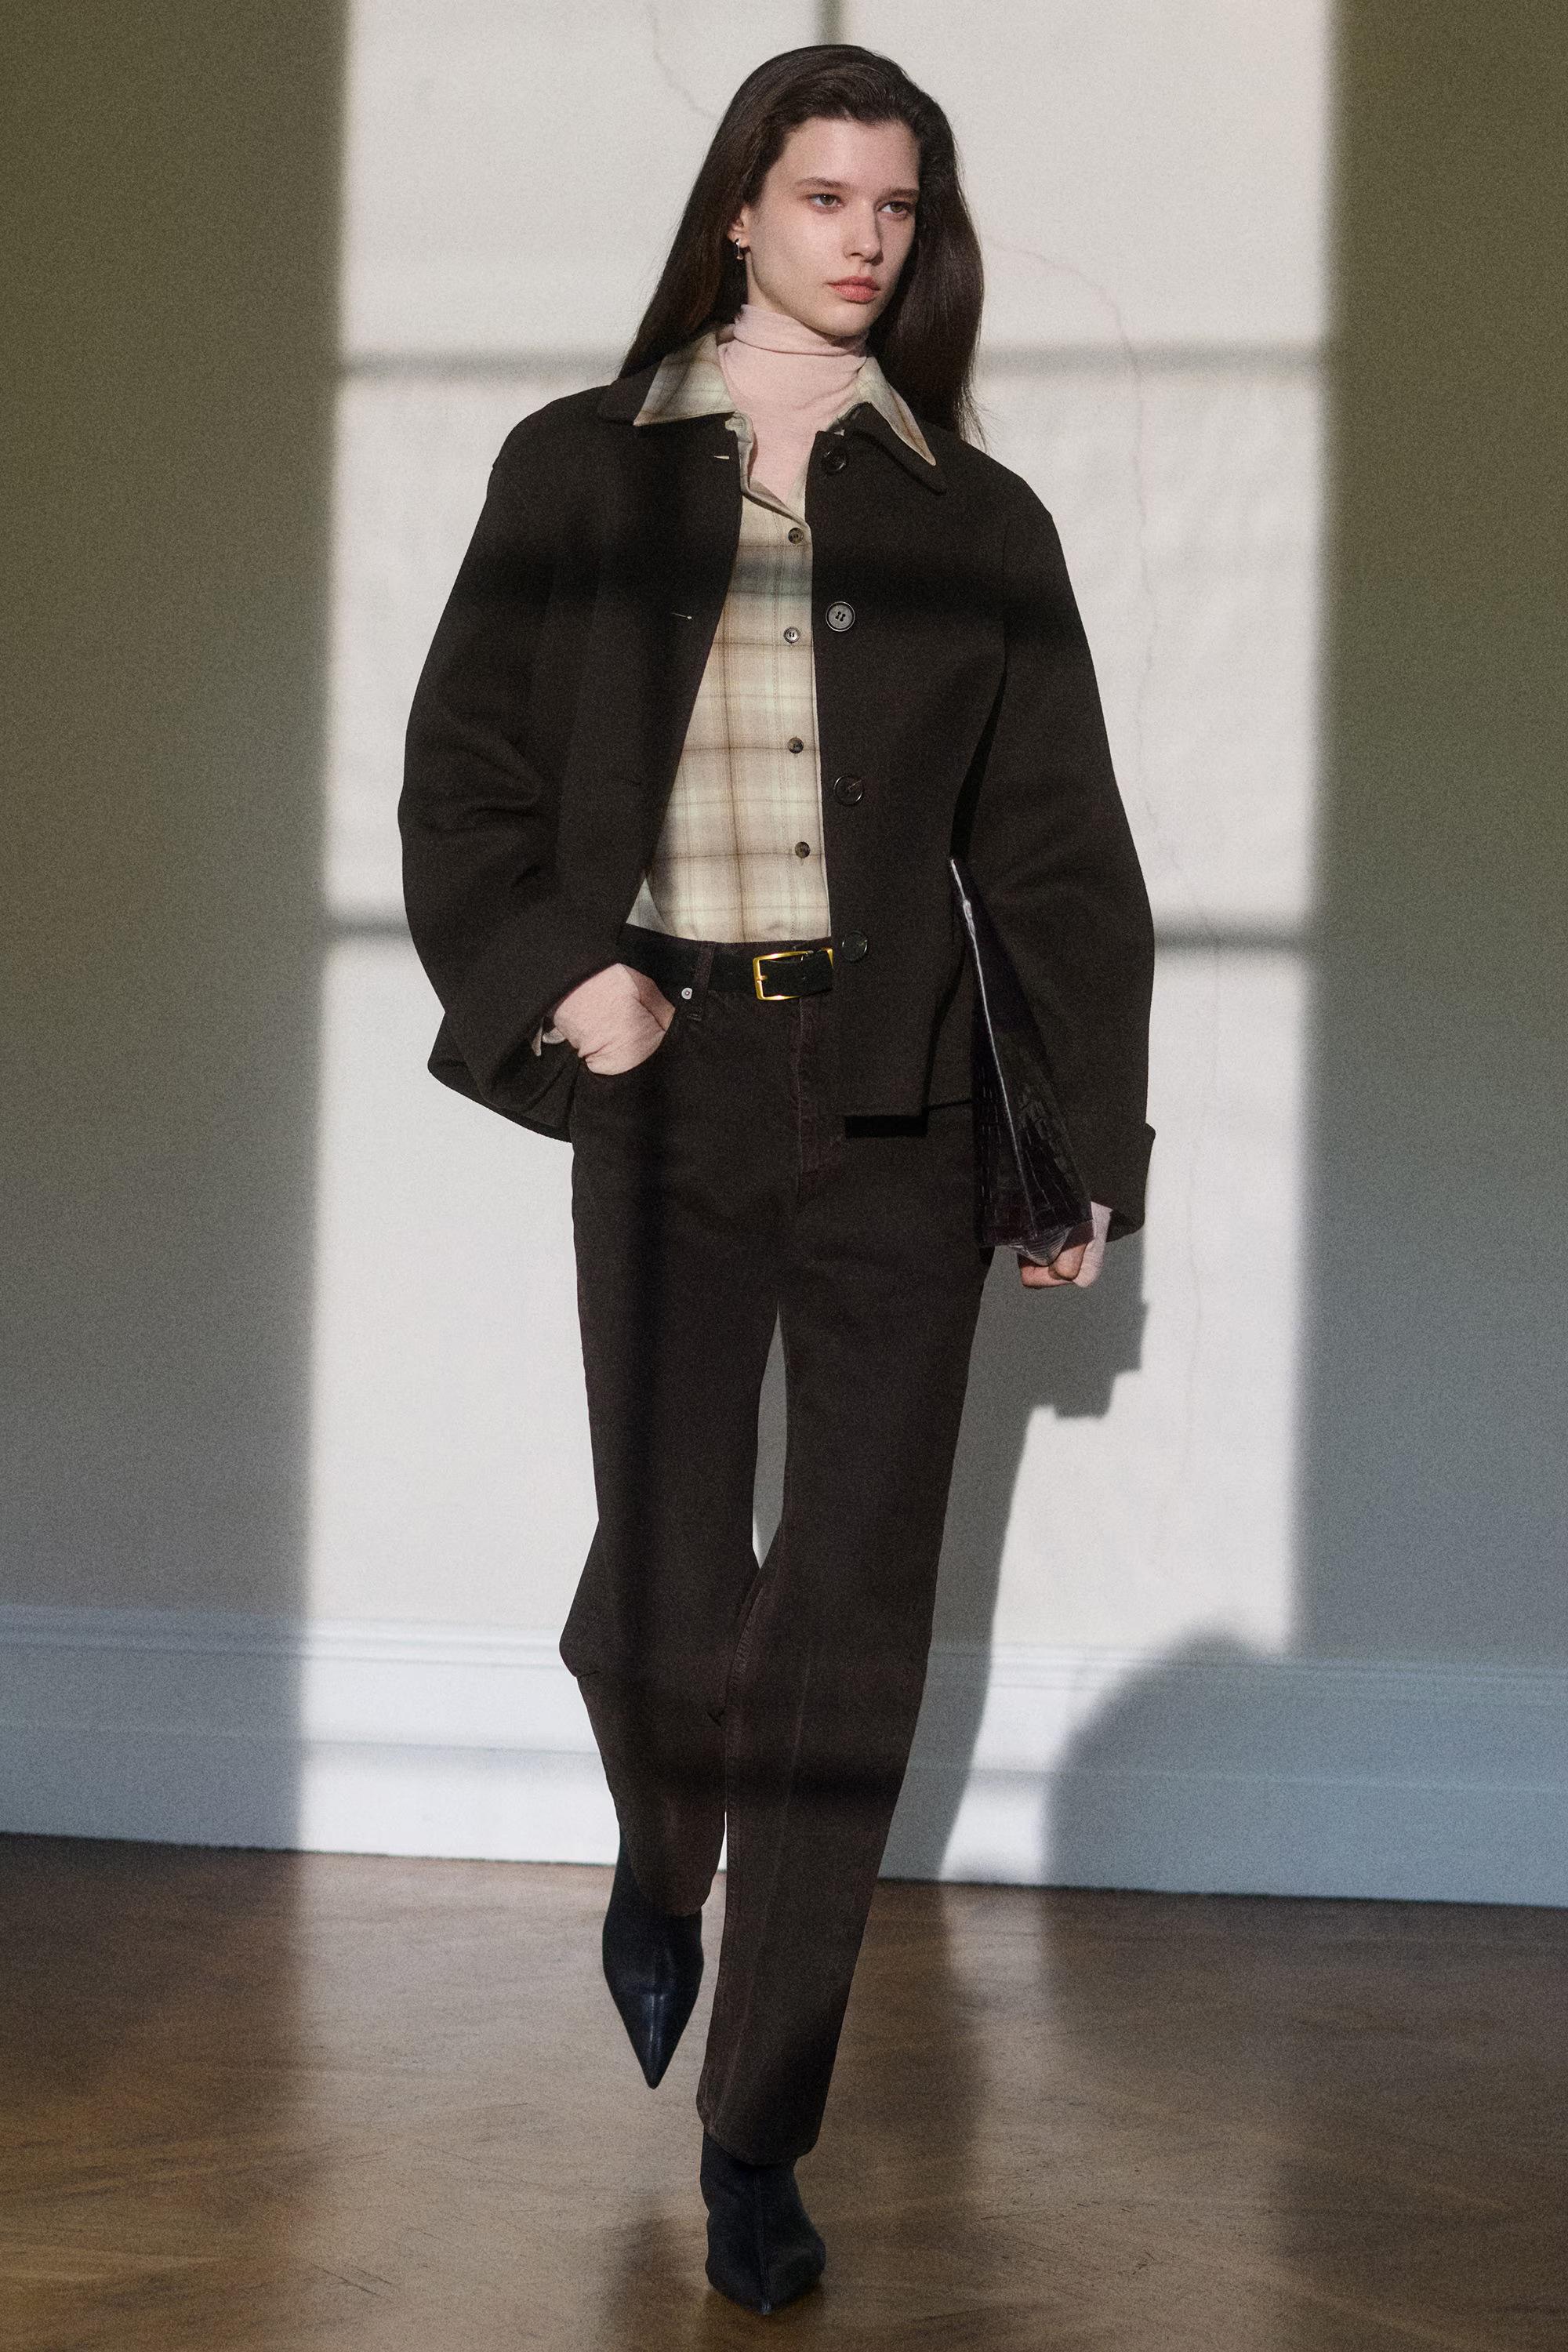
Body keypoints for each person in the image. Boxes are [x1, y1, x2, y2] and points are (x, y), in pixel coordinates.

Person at [400, 42, 1154, 2318]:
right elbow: (462, 776)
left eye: (895, 206)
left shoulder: (977, 522)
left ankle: (759, 2131)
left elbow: (1059, 858)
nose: (862, 238)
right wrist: (573, 984)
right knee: (662, 1584)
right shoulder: (577, 469)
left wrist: (1075, 1147)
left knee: (849, 1624)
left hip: (902, 1107)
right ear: (740, 207)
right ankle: (660, 1844)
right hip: (668, 1083)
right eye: (824, 195)